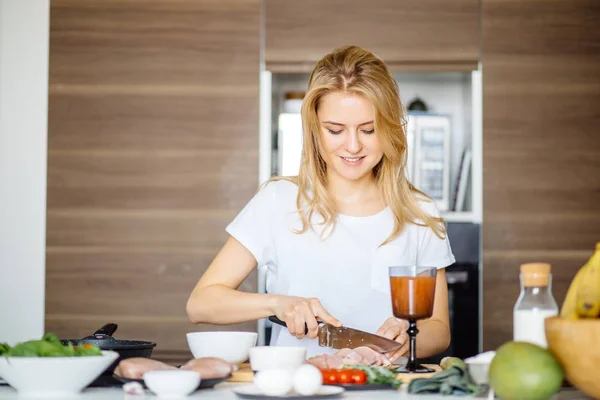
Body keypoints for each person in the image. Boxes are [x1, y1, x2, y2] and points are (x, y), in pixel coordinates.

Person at [186, 45, 455, 362]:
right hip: (296, 388)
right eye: (335, 130)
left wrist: (405, 341)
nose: (353, 145)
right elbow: (201, 303)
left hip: (384, 389)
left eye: (368, 130)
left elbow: (438, 329)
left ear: (390, 127)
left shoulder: (419, 211)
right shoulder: (279, 201)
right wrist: (278, 304)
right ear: (315, 128)